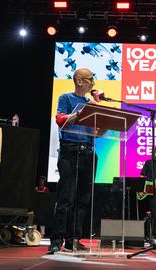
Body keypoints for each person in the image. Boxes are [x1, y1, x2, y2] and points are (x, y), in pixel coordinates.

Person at [48, 67, 98, 254]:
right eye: (90, 79)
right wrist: (83, 111)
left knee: (83, 200)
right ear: (79, 81)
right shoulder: (66, 98)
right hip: (70, 151)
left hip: (89, 152)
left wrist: (101, 126)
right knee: (65, 198)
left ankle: (73, 239)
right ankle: (56, 239)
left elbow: (96, 131)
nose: (93, 82)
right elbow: (61, 120)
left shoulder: (91, 102)